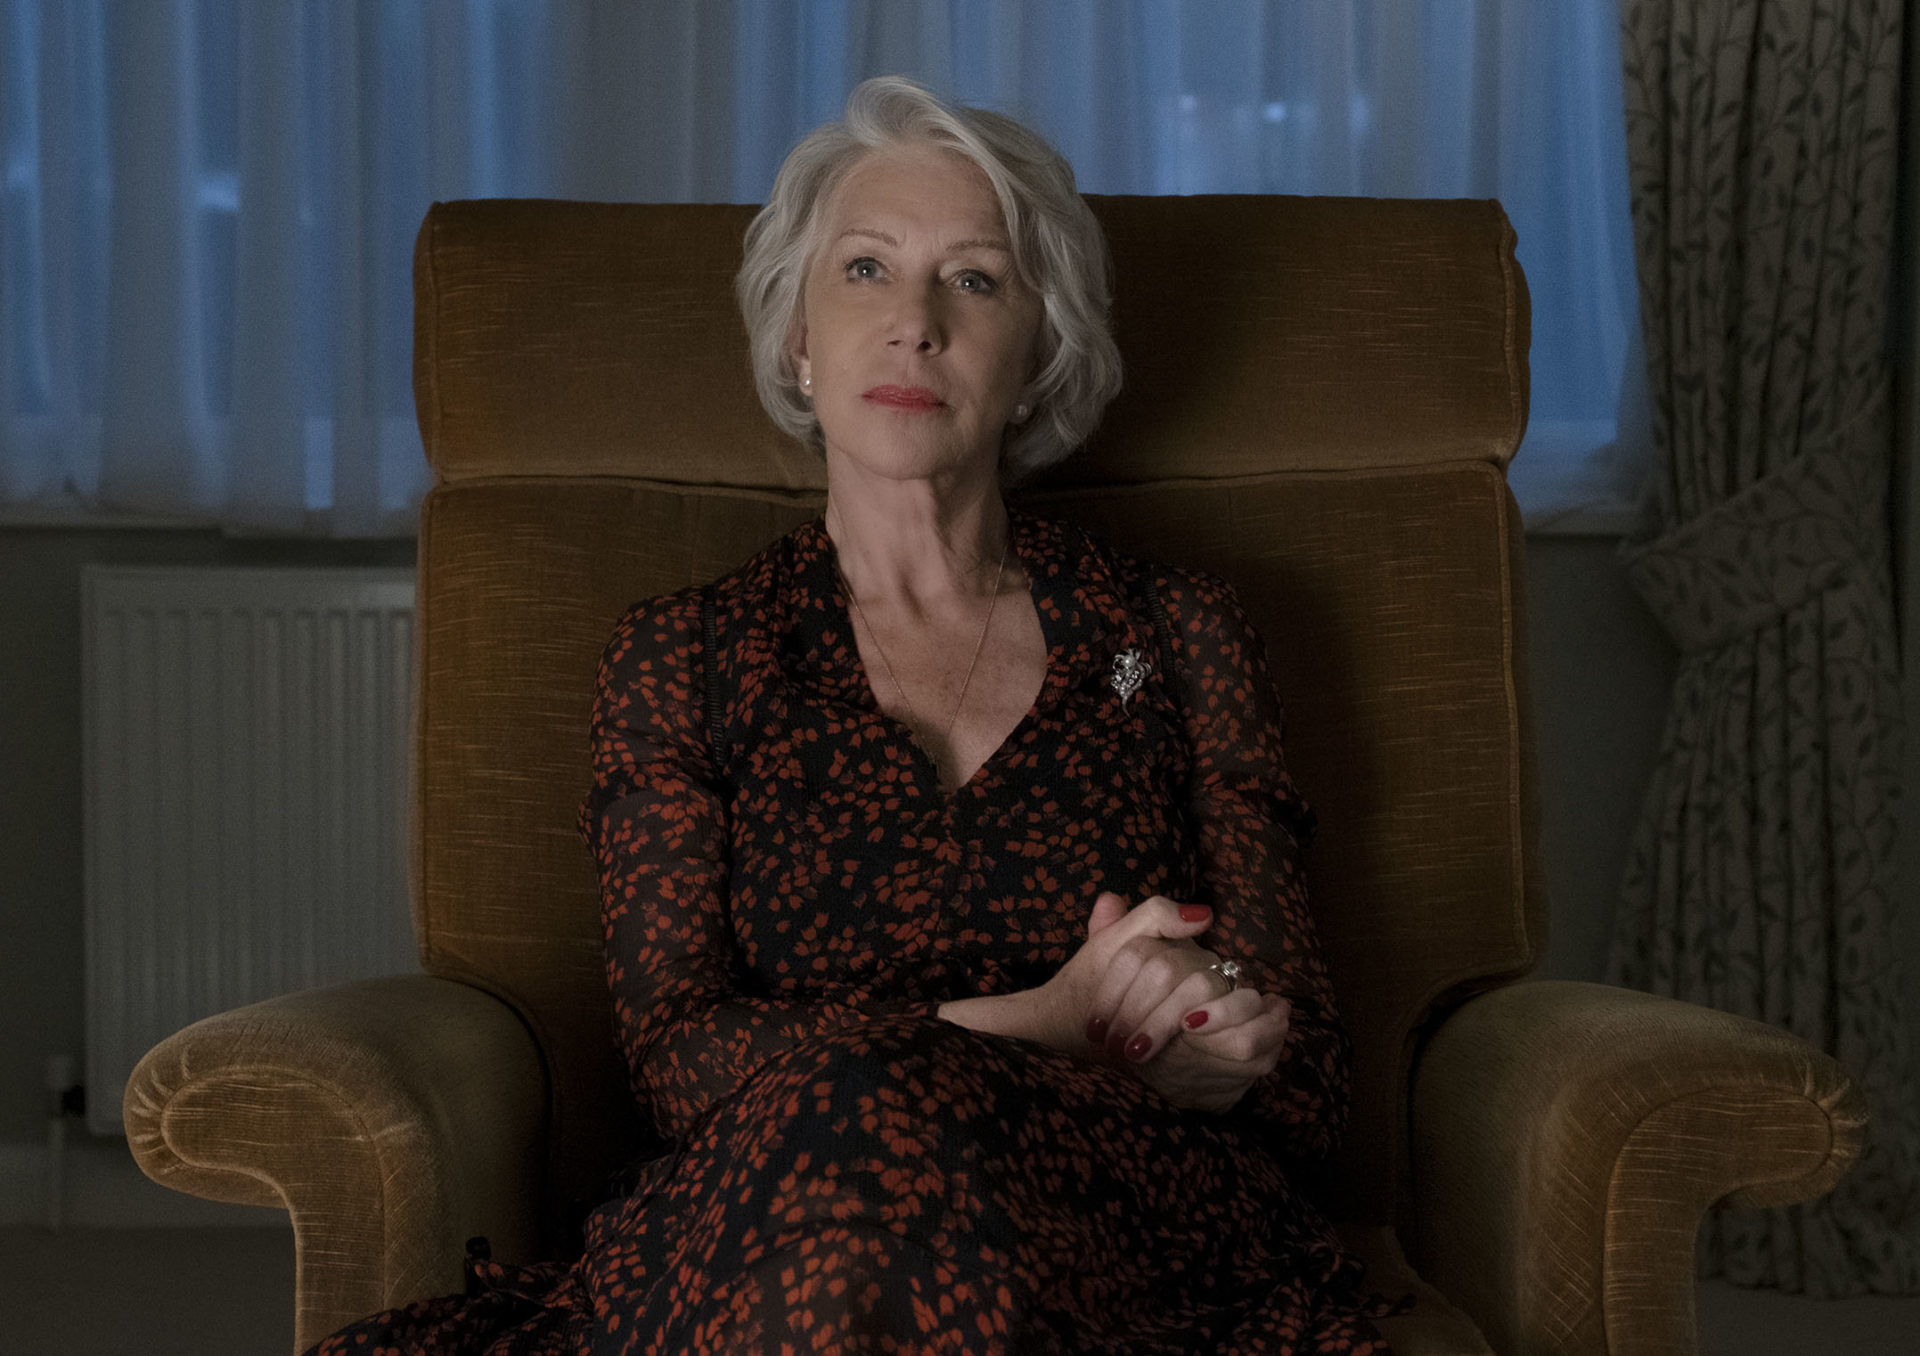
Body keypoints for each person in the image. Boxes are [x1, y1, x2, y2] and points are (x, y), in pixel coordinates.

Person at [313, 75, 1388, 1355]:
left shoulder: (1164, 641)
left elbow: (1309, 1081)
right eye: (866, 269)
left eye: (975, 281)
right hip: (780, 1196)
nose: (914, 325)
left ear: (1039, 356)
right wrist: (1053, 1021)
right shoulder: (688, 657)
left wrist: (1219, 1024)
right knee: (861, 1134)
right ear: (798, 340)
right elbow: (678, 1065)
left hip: (1108, 1202)